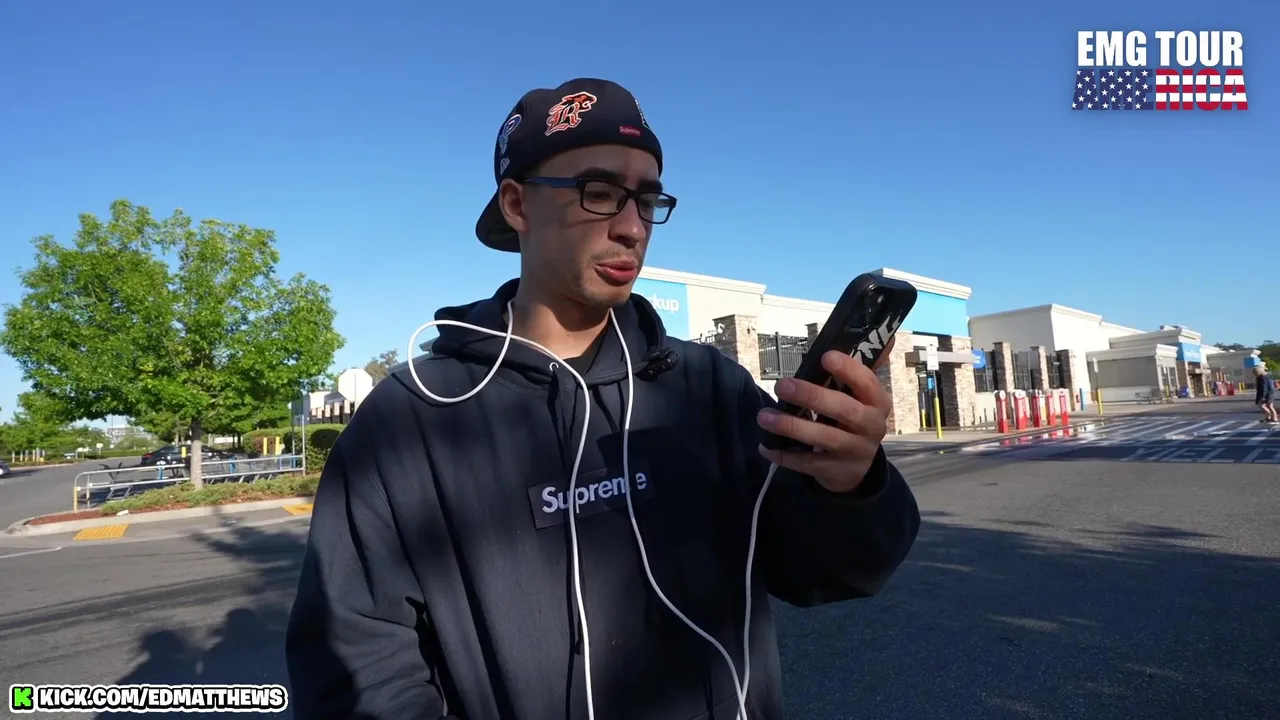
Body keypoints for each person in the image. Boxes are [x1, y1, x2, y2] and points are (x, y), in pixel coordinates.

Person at [285, 77, 921, 720]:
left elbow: (826, 572)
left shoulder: (708, 388)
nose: (632, 227)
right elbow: (358, 669)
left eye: (647, 199)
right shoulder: (411, 420)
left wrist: (851, 485)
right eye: (599, 192)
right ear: (517, 204)